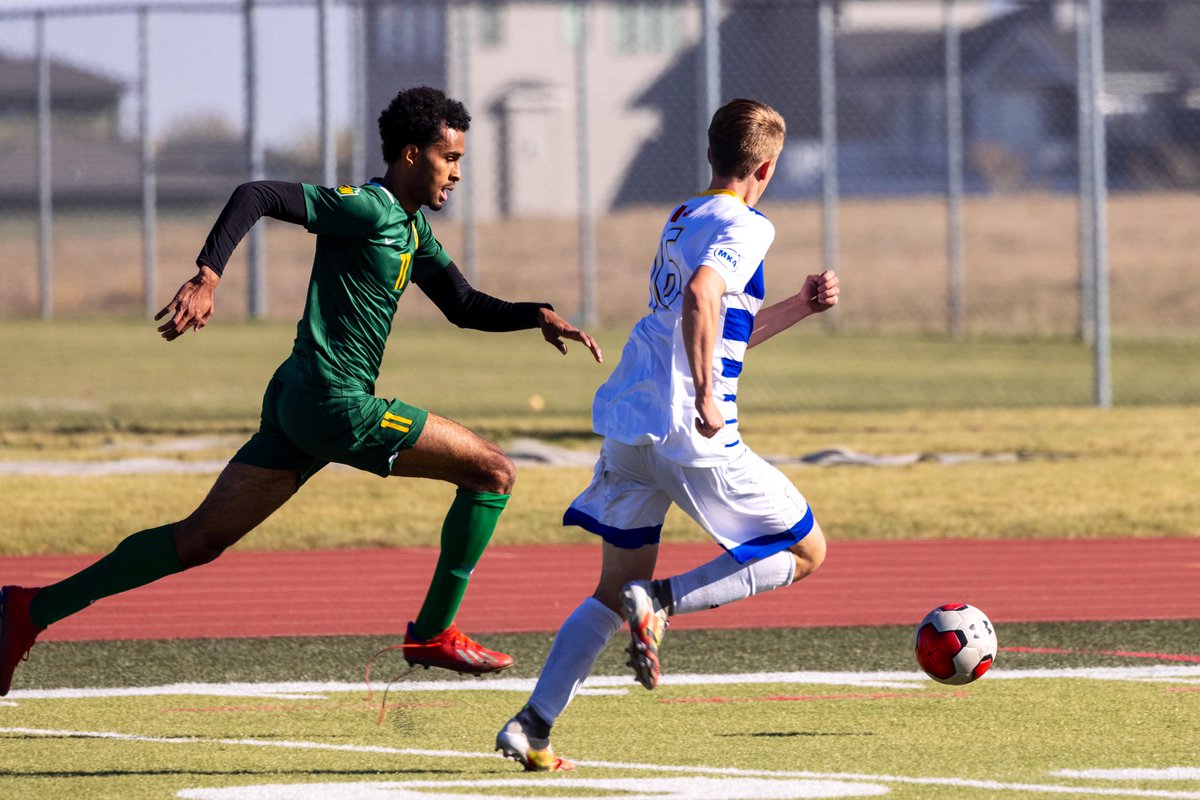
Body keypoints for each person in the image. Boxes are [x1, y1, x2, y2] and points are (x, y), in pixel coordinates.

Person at [0, 86, 602, 696]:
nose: (458, 173)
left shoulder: (413, 228)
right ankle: (432, 632)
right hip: (335, 403)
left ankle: (30, 609)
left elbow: (464, 305)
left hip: (299, 402)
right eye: (450, 158)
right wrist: (207, 275)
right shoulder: (369, 208)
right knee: (493, 471)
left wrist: (536, 314)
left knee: (198, 539)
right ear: (412, 155)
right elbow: (256, 194)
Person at [495, 98, 838, 771]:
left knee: (611, 590)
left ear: (710, 154)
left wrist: (798, 307)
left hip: (633, 427)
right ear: (767, 167)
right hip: (690, 429)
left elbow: (720, 325)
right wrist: (707, 393)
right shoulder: (748, 224)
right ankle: (661, 603)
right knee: (806, 551)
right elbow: (702, 298)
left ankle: (533, 726)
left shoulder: (683, 216)